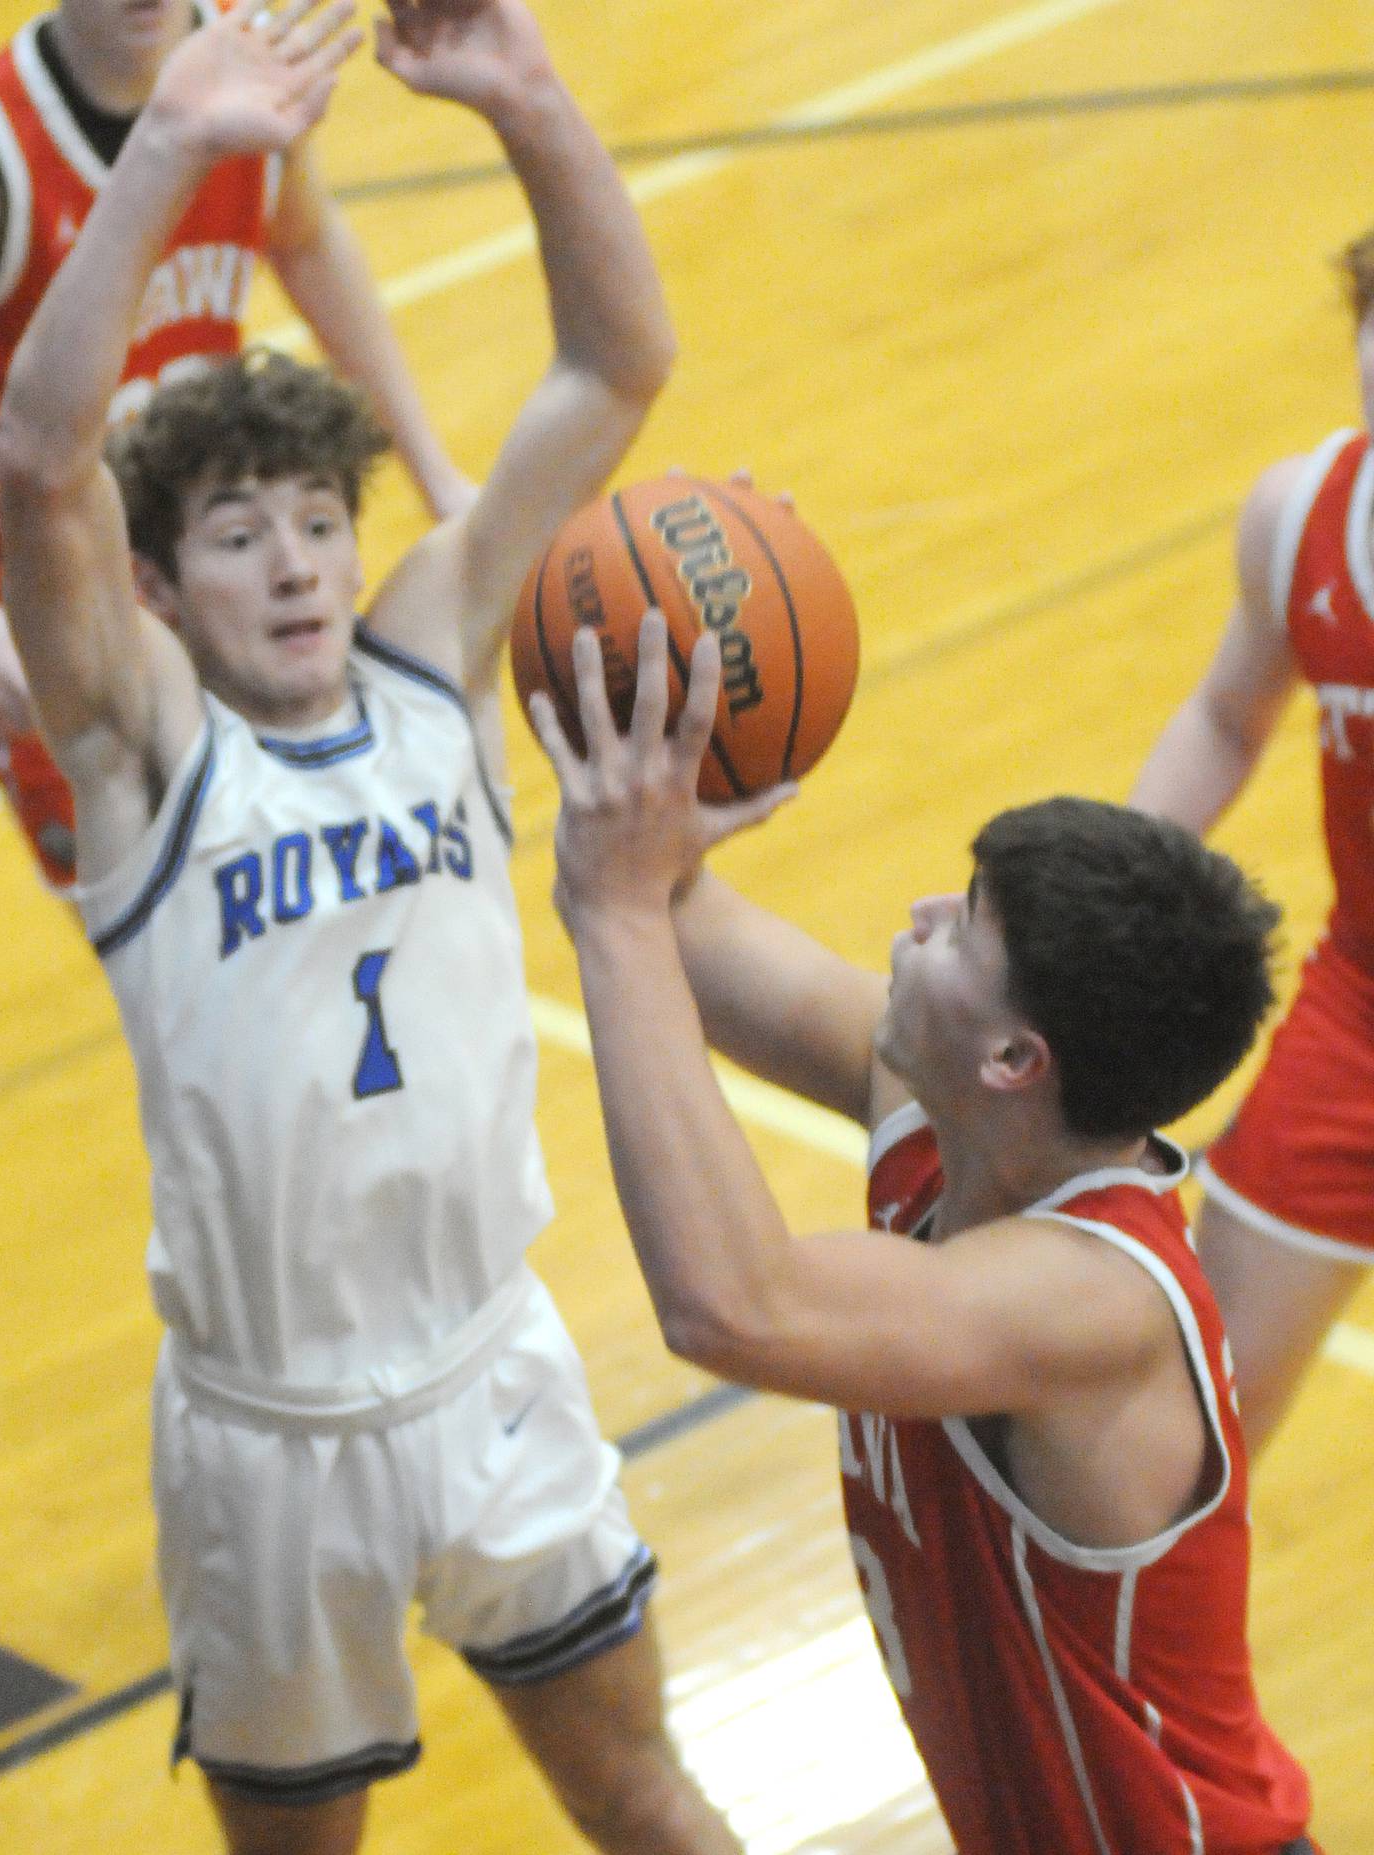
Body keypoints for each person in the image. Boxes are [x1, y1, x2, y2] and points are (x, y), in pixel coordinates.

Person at [0, 5, 741, 1853]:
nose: (300, 562)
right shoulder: (144, 750)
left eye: (320, 522)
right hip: (271, 1441)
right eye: (240, 537)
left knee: (642, 1786)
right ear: (158, 591)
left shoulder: (427, 662)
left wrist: (529, 99)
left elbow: (618, 361)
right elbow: (37, 455)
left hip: (494, 1368)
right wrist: (167, 152)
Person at [529, 611, 1318, 1853]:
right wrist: (638, 725)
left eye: (965, 925)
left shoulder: (1092, 1303)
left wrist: (619, 912)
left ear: (1016, 1056)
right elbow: (685, 919)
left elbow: (733, 1304)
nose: (920, 911)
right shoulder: (962, 1116)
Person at [0, 0, 471, 888]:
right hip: (44, 610)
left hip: (211, 567)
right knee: (174, 941)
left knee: (303, 904)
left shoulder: (251, 65)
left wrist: (434, 470)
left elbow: (306, 240)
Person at [1129, 227, 1374, 1457]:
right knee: (1191, 1420)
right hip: (1360, 1016)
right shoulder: (1303, 515)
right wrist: (1106, 876)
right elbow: (1229, 718)